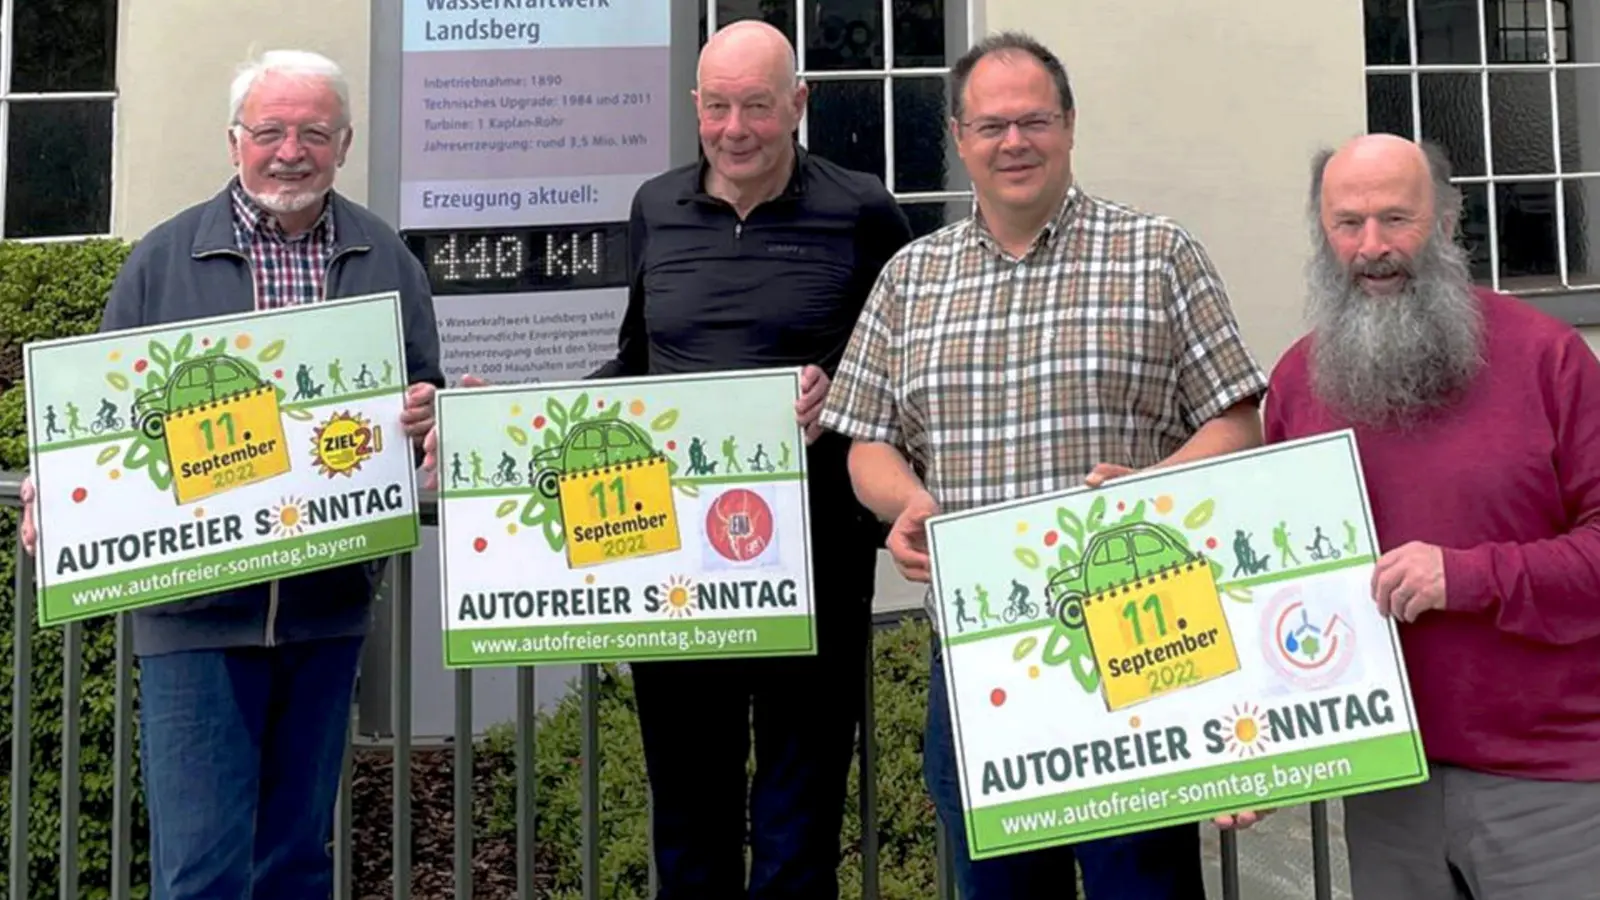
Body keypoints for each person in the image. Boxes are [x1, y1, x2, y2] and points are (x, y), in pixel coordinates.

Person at [820, 31, 1269, 899]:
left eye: (1034, 120)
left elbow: (1238, 418)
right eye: (991, 125)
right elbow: (866, 441)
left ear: (1070, 126)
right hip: (984, 660)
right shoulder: (911, 277)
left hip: (1142, 655)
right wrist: (905, 502)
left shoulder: (1158, 253)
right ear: (958, 137)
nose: (1013, 142)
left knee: (1144, 887)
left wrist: (1161, 487)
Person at [20, 50, 443, 899]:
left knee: (295, 865)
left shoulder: (385, 258)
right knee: (202, 872)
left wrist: (432, 425)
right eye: (270, 131)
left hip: (326, 610)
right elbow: (102, 423)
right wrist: (55, 491)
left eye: (314, 133)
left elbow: (423, 407)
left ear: (345, 143)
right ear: (233, 141)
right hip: (194, 616)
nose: (291, 151)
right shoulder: (162, 260)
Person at [1263, 133, 1600, 899]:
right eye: (1348, 224)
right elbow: (1274, 585)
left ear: (1447, 223)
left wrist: (1465, 575)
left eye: (1396, 219)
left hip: (1550, 784)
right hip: (1385, 784)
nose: (1373, 247)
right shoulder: (1297, 383)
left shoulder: (1549, 359)